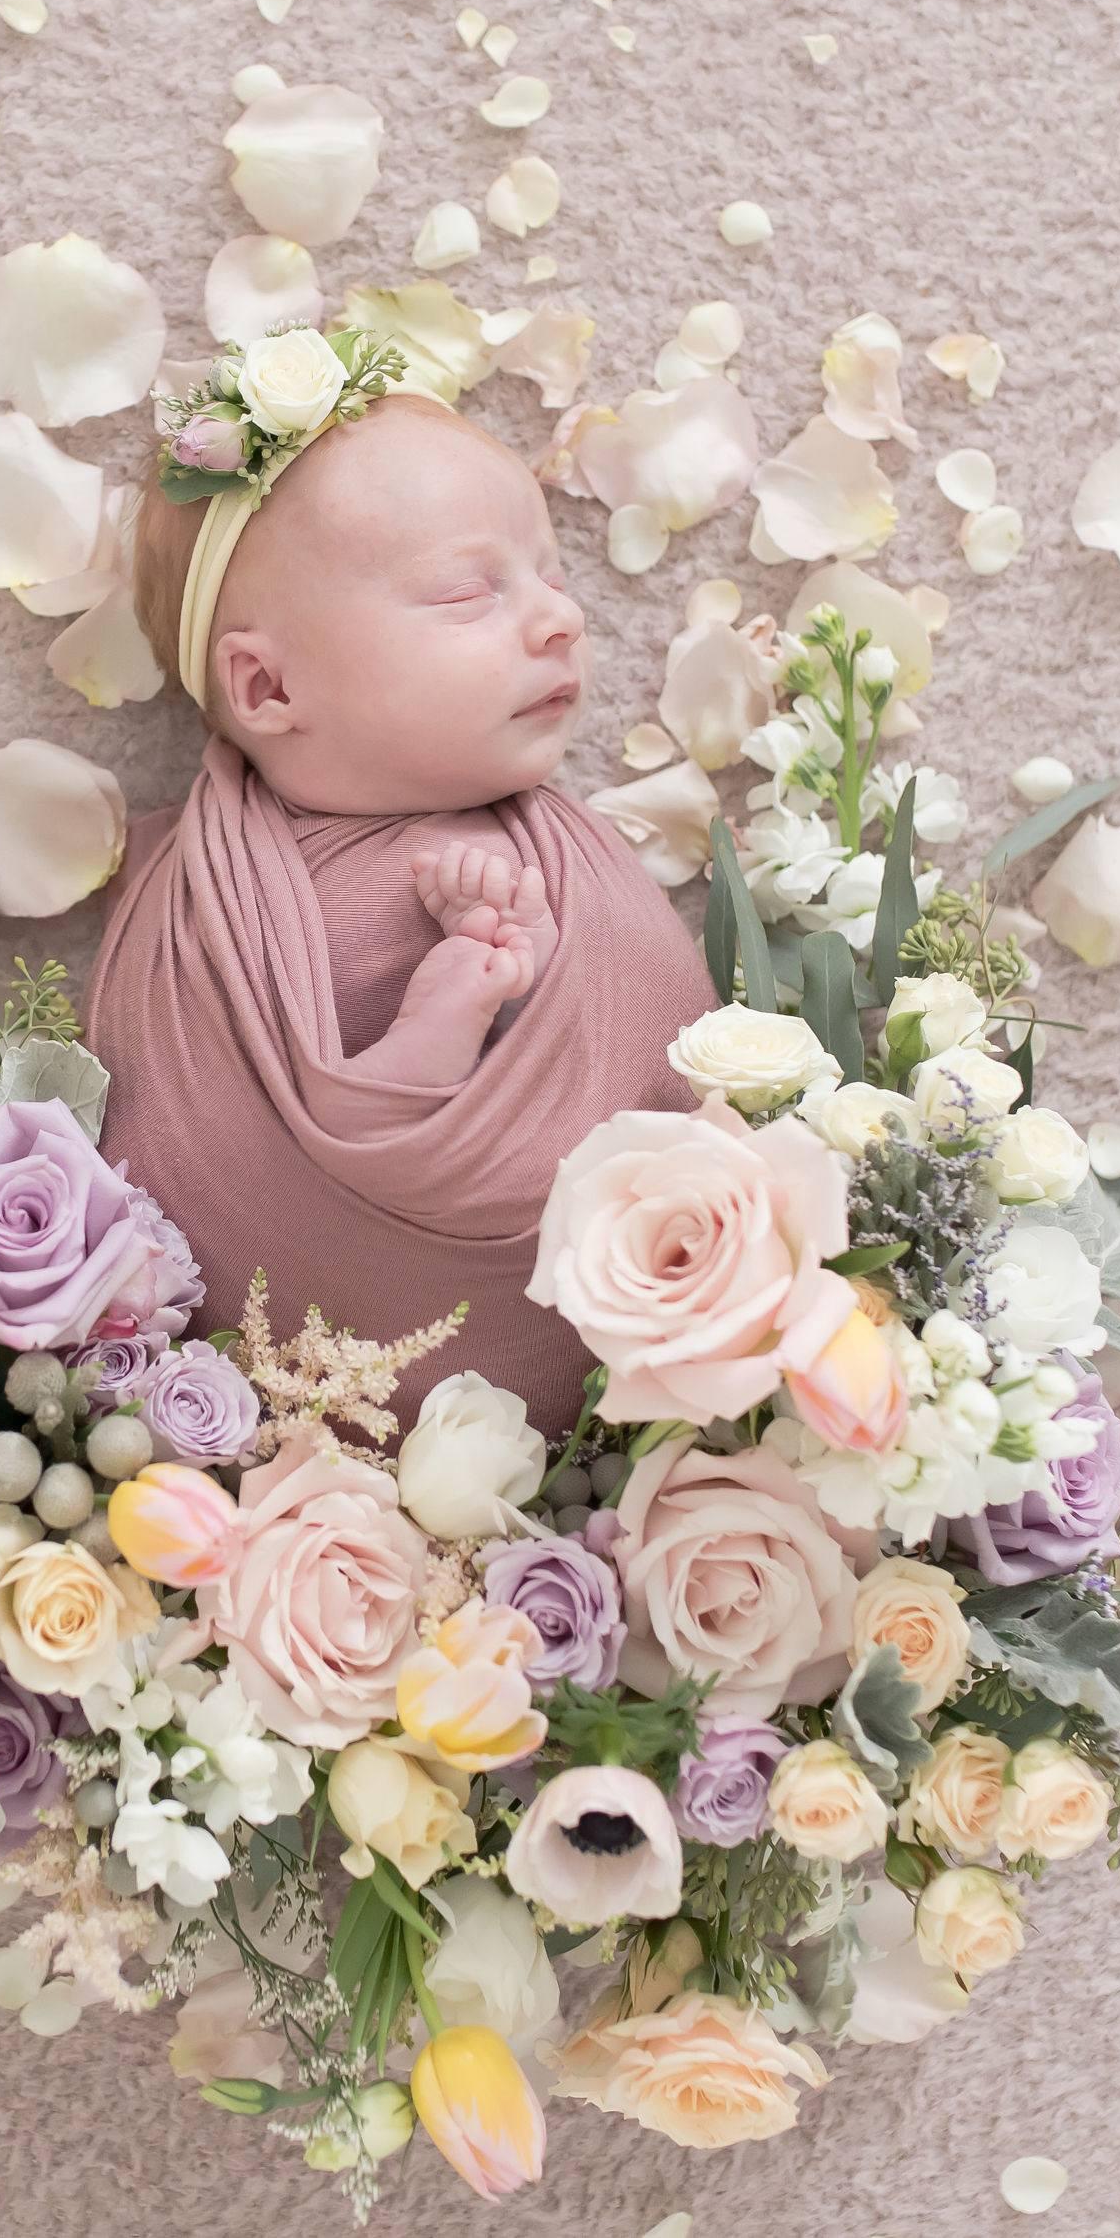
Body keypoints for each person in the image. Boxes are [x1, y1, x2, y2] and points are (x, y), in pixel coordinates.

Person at [84, 332, 722, 1434]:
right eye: (466, 592)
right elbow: (176, 1137)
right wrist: (431, 1031)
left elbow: (676, 1093)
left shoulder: (571, 856)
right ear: (266, 684)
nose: (559, 616)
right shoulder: (196, 913)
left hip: (616, 1422)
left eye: (554, 574)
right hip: (266, 1417)